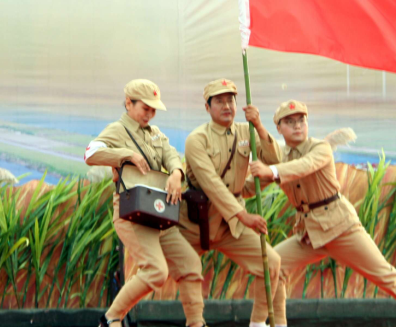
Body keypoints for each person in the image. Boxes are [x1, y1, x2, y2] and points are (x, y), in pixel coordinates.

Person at [249, 100, 396, 327]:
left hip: (341, 228)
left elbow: (304, 166)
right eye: (290, 122)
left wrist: (270, 170)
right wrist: (225, 188)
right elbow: (252, 185)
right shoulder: (279, 157)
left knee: (387, 277)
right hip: (310, 234)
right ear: (279, 128)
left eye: (301, 120)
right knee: (272, 266)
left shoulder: (320, 148)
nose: (297, 125)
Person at [85, 79, 205, 327]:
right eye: (145, 108)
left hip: (159, 211)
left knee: (190, 263)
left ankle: (196, 323)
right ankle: (110, 319)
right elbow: (91, 153)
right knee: (156, 271)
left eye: (153, 110)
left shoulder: (155, 133)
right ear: (129, 103)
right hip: (131, 212)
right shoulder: (118, 130)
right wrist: (125, 154)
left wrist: (176, 173)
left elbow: (171, 155)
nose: (150, 114)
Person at [179, 78, 282, 327]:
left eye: (230, 100)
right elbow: (211, 183)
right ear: (207, 107)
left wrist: (259, 125)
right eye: (219, 101)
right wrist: (242, 215)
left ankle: (258, 323)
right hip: (195, 221)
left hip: (230, 227)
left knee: (271, 263)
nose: (226, 106)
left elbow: (275, 160)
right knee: (164, 271)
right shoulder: (196, 139)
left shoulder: (247, 131)